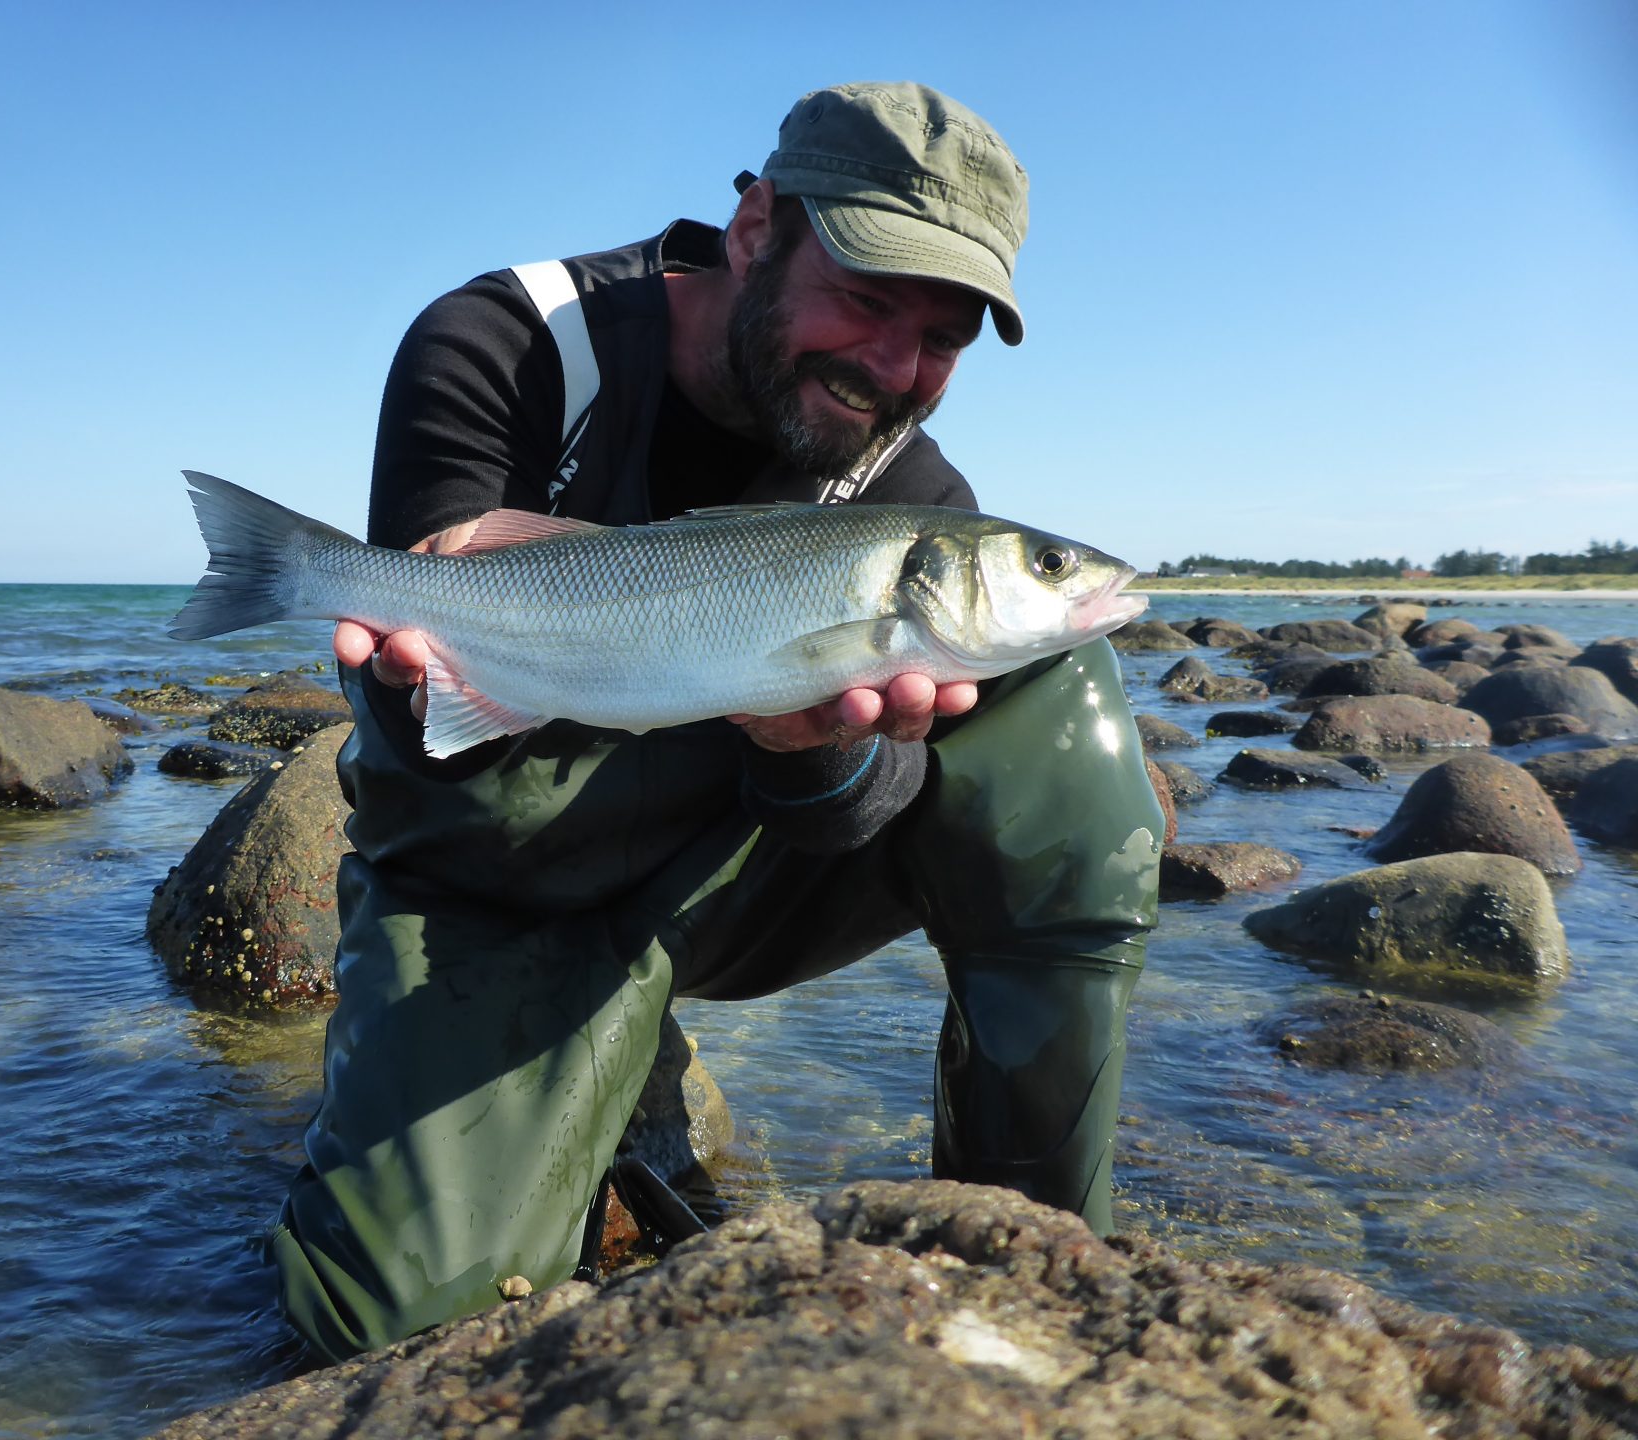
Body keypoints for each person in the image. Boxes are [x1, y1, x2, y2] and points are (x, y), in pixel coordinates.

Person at [268, 81, 1164, 1361]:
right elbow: (426, 723)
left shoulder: (913, 489)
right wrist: (430, 630)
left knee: (1058, 688)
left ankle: (1030, 1275)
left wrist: (823, 747)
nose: (892, 370)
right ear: (755, 229)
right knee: (390, 1330)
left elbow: (854, 820)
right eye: (865, 298)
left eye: (942, 339)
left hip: (727, 876)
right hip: (499, 881)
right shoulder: (508, 341)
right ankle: (553, 1063)